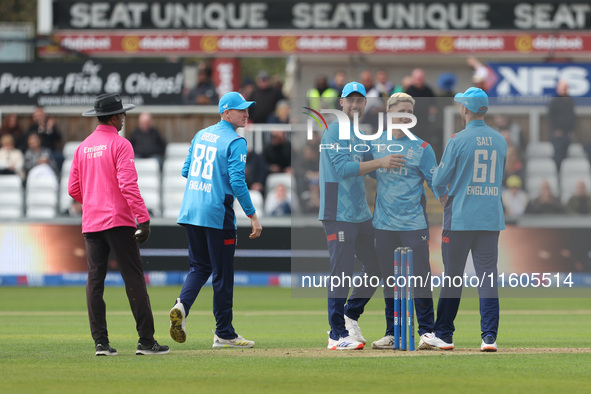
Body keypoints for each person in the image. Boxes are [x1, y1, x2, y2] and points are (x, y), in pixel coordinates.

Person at [343, 93, 447, 350]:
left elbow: (436, 185)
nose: (405, 116)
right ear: (388, 113)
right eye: (401, 111)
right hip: (383, 224)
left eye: (409, 112)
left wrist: (453, 214)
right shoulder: (375, 144)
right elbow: (358, 171)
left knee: (420, 278)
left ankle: (426, 332)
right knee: (390, 280)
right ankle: (392, 333)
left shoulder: (422, 148)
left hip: (414, 224)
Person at [68, 93, 169, 356]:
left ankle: (101, 343)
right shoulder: (121, 144)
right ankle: (146, 342)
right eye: (122, 114)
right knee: (133, 279)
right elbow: (127, 185)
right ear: (114, 117)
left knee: (95, 282)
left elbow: (73, 189)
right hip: (118, 221)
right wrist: (143, 218)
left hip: (91, 222)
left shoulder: (82, 147)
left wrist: (94, 200)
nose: (124, 118)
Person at [169, 91, 263, 348]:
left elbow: (186, 170)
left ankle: (181, 306)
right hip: (217, 214)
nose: (246, 113)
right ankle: (224, 333)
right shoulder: (236, 141)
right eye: (240, 109)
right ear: (225, 111)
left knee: (199, 267)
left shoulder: (201, 134)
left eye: (247, 109)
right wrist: (253, 216)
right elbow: (237, 181)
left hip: (191, 210)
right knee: (223, 274)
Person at [318, 81, 405, 350]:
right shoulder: (333, 132)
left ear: (365, 104)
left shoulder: (358, 134)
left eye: (360, 100)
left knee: (378, 266)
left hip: (359, 214)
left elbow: (375, 171)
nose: (355, 105)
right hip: (337, 213)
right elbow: (344, 168)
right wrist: (380, 162)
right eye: (350, 100)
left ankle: (350, 313)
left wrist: (406, 176)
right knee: (341, 273)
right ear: (341, 103)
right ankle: (336, 335)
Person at [424, 87, 507, 352]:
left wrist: (441, 194)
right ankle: (489, 337)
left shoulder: (458, 140)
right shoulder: (500, 140)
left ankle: (445, 335)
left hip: (459, 218)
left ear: (465, 109)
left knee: (452, 278)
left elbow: (438, 180)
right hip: (489, 218)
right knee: (487, 279)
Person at [547, 80, 576, 170]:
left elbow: (572, 117)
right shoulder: (555, 101)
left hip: (567, 134)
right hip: (558, 135)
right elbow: (550, 116)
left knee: (566, 156)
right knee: (558, 156)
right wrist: (555, 130)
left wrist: (572, 131)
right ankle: (557, 174)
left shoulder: (570, 101)